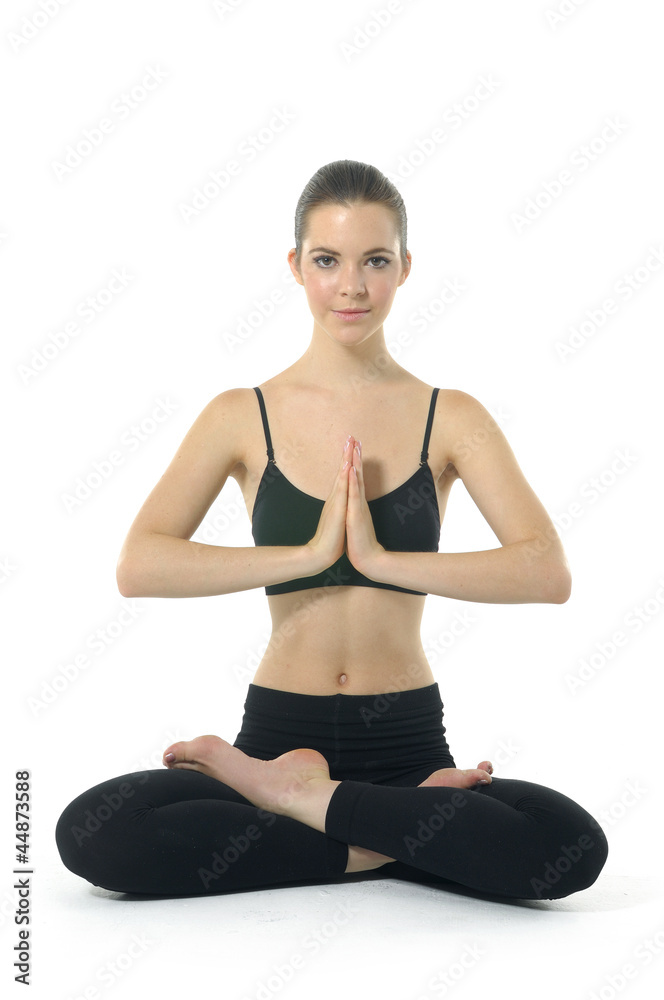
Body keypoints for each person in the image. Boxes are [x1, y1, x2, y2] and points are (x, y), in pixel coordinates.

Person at [55, 159, 608, 900]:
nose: (351, 286)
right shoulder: (238, 415)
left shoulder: (453, 416)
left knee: (567, 845)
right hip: (279, 735)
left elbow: (546, 572)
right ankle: (385, 840)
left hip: (408, 744)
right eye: (327, 261)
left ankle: (300, 805)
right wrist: (309, 553)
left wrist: (378, 558)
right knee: (92, 831)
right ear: (295, 267)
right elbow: (140, 565)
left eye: (375, 261)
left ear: (406, 268)